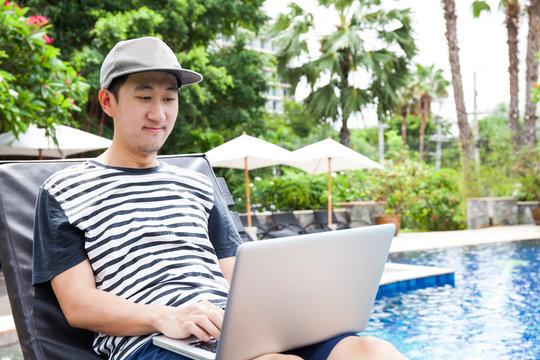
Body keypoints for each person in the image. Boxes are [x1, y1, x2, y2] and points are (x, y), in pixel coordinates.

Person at [32, 36, 408, 360]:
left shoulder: (197, 185)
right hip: (153, 341)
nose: (158, 113)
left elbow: (238, 275)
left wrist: (294, 309)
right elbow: (78, 304)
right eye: (144, 96)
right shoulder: (65, 191)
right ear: (108, 101)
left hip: (236, 329)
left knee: (370, 351)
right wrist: (166, 316)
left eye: (169, 98)